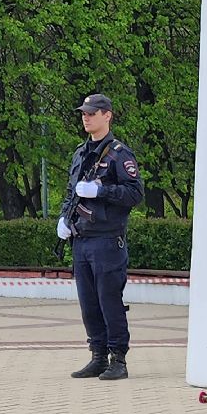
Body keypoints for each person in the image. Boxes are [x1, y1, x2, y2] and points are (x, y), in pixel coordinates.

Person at [58, 92, 144, 381]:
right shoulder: (80, 154)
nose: (86, 117)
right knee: (89, 302)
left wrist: (101, 191)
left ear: (107, 115)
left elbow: (135, 193)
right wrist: (63, 218)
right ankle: (98, 355)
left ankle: (118, 359)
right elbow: (71, 192)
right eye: (84, 112)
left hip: (107, 240)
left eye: (92, 113)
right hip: (82, 239)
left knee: (109, 301)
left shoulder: (120, 154)